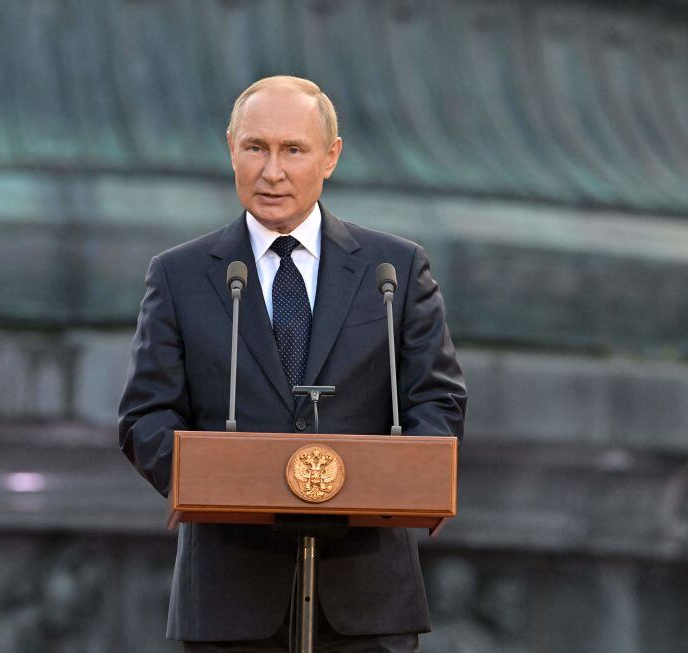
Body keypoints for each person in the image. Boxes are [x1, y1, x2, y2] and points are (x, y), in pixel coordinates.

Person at [118, 75, 467, 652]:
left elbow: (438, 399)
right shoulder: (180, 276)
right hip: (231, 593)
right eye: (255, 147)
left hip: (366, 596)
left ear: (331, 157)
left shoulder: (395, 272)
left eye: (293, 150)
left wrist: (404, 478)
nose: (271, 171)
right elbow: (145, 416)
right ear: (231, 147)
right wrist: (212, 478)